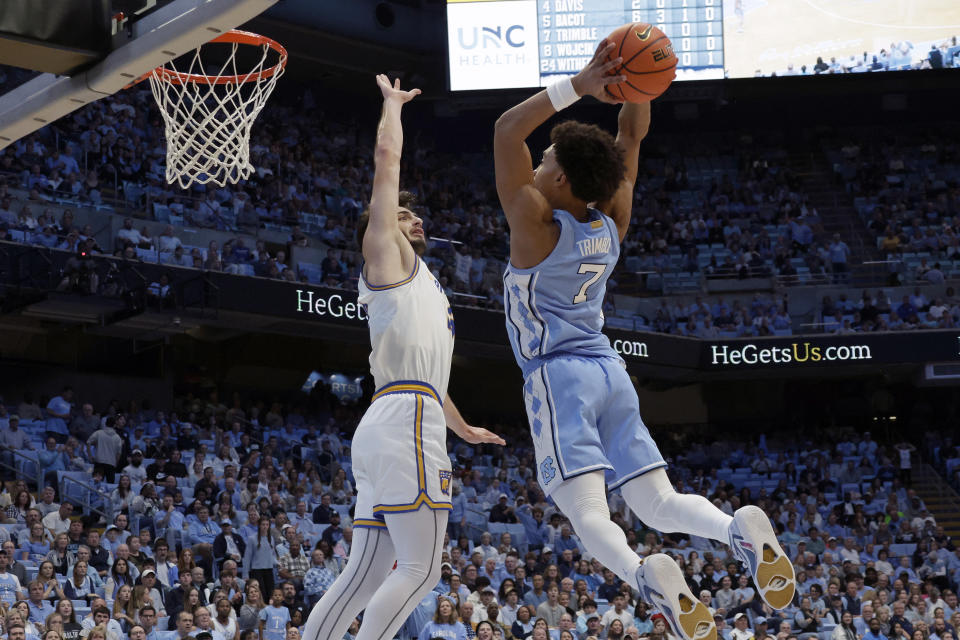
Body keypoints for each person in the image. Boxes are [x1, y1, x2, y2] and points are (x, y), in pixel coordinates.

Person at [493, 39, 794, 640]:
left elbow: (507, 130)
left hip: (557, 375)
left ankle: (644, 574)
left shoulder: (535, 226)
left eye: (546, 158)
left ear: (559, 179)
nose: (537, 162)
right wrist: (640, 86)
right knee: (657, 501)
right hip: (610, 369)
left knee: (587, 515)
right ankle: (737, 529)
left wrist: (581, 84)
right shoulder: (611, 221)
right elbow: (629, 142)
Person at [300, 74, 504, 640]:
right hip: (406, 423)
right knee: (421, 569)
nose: (417, 219)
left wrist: (461, 427)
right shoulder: (386, 257)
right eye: (405, 216)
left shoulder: (426, 284)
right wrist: (392, 108)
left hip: (396, 419)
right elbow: (387, 160)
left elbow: (429, 379)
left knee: (363, 574)